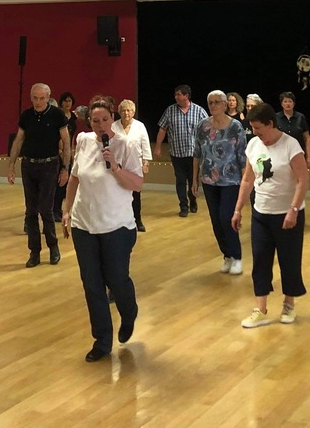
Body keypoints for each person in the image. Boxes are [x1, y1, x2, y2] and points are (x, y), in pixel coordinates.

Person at [62, 101, 143, 362]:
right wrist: (66, 210)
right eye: (95, 121)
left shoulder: (126, 145)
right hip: (84, 225)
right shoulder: (83, 141)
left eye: (105, 119)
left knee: (116, 280)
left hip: (117, 226)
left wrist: (115, 167)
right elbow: (75, 178)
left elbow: (137, 184)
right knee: (92, 284)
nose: (100, 125)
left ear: (113, 119)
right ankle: (102, 340)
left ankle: (128, 313)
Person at [234, 101, 309, 328]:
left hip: (287, 214)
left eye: (258, 128)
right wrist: (238, 209)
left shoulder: (290, 145)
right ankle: (261, 309)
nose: (255, 132)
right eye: (253, 128)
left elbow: (303, 180)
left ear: (270, 124)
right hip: (261, 213)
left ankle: (289, 304)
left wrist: (293, 209)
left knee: (289, 260)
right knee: (260, 260)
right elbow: (247, 180)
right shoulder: (253, 145)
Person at [7, 82, 72, 268]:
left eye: (42, 98)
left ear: (48, 98)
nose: (38, 102)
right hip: (29, 165)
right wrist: (11, 165)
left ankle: (53, 247)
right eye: (35, 98)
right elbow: (19, 140)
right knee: (30, 211)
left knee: (46, 209)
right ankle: (34, 251)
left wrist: (65, 168)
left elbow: (66, 142)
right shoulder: (26, 115)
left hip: (49, 165)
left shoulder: (57, 115)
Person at [194, 90, 246, 275]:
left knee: (226, 217)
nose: (213, 105)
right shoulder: (203, 126)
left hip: (231, 181)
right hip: (209, 180)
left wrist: (246, 183)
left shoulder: (235, 126)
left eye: (217, 102)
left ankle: (237, 256)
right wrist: (194, 179)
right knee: (216, 220)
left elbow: (242, 156)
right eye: (211, 102)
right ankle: (227, 255)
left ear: (225, 105)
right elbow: (197, 153)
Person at [154, 84, 208, 217]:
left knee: (192, 179)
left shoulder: (199, 111)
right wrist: (158, 146)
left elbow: (207, 130)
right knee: (180, 180)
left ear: (186, 96)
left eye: (178, 94)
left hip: (194, 154)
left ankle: (193, 200)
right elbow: (162, 129)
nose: (176, 97)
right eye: (175, 95)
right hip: (176, 153)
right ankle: (183, 206)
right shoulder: (170, 110)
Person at [112, 100, 151, 231]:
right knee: (118, 194)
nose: (126, 113)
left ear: (133, 112)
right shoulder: (114, 126)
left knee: (135, 195)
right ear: (119, 112)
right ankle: (119, 221)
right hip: (118, 166)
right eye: (123, 110)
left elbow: (145, 144)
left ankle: (137, 220)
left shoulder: (140, 126)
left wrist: (146, 162)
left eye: (128, 110)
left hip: (135, 165)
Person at [51, 91, 78, 225]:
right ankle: (54, 209)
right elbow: (59, 135)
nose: (67, 103)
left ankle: (60, 209)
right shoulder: (59, 115)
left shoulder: (72, 116)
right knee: (59, 182)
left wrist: (71, 151)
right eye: (65, 101)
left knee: (66, 183)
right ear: (61, 102)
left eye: (69, 101)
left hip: (68, 150)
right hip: (59, 150)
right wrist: (62, 151)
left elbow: (71, 136)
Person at [274, 92, 310, 163]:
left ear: (294, 103)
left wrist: (309, 156)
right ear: (281, 104)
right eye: (285, 101)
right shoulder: (276, 117)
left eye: (290, 101)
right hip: (281, 154)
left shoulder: (300, 117)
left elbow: (307, 138)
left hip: (298, 153)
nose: (288, 104)